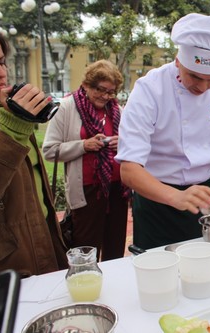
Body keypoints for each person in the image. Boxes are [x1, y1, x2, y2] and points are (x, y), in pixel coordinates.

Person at [116, 13, 210, 249]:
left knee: (209, 265)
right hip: (157, 199)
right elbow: (129, 170)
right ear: (179, 61)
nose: (203, 87)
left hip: (208, 196)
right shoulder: (150, 90)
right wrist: (175, 197)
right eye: (195, 77)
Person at [42, 60, 129, 261]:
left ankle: (114, 285)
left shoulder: (116, 110)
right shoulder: (66, 107)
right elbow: (49, 150)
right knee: (85, 250)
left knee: (115, 247)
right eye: (100, 90)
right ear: (87, 85)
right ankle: (87, 287)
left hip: (117, 189)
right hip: (87, 191)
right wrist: (84, 145)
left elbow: (131, 143)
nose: (106, 96)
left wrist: (122, 143)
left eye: (111, 92)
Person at [0, 32, 67, 277]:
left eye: (1, 61)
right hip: (10, 272)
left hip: (40, 250)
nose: (1, 72)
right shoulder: (10, 120)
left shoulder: (8, 112)